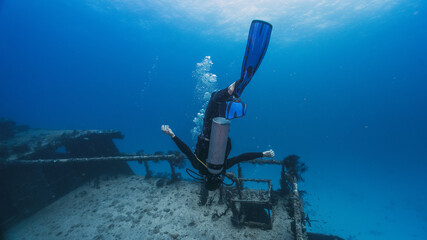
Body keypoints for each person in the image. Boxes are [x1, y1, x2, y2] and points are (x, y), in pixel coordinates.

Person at [161, 81, 275, 192]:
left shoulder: (222, 168)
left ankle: (231, 95)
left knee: (220, 104)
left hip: (222, 129)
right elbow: (186, 150)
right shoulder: (199, 167)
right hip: (208, 131)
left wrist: (263, 154)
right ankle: (229, 91)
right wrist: (172, 135)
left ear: (220, 180)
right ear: (205, 180)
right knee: (214, 98)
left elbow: (242, 157)